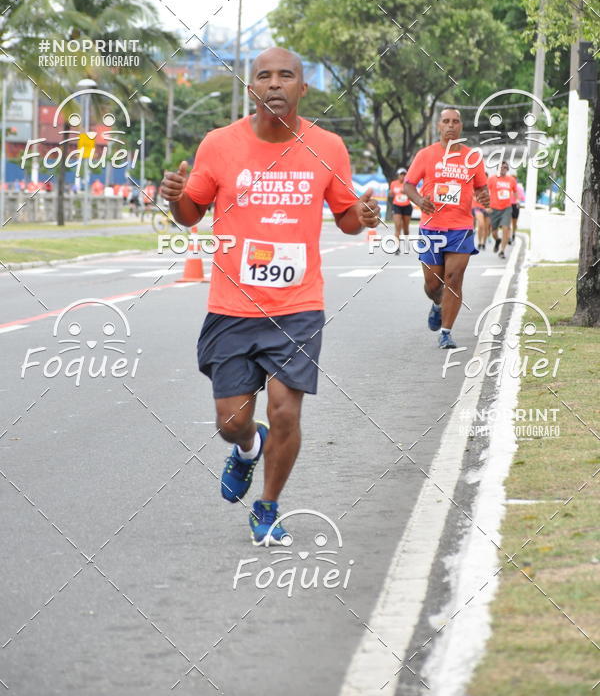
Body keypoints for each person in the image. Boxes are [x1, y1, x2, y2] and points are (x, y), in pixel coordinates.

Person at [159, 47, 380, 546]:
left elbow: (345, 216)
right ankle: (246, 448)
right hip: (232, 306)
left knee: (286, 410)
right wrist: (176, 197)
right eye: (264, 76)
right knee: (232, 421)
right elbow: (191, 214)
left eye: (286, 76)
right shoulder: (218, 145)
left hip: (298, 306)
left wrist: (362, 217)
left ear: (304, 88)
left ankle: (267, 506)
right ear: (251, 88)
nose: (275, 83)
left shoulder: (328, 146)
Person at [403, 108, 489, 349]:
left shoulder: (473, 158)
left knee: (453, 279)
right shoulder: (426, 155)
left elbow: (482, 187)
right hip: (431, 228)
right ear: (439, 126)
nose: (451, 125)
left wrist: (485, 197)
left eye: (455, 122)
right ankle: (437, 304)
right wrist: (419, 200)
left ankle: (446, 331)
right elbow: (408, 185)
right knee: (433, 284)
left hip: (460, 228)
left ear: (461, 126)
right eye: (446, 121)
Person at [488, 161, 517, 259]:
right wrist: (486, 205)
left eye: (505, 167)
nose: (503, 169)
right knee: (494, 232)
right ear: (498, 168)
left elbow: (515, 191)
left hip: (506, 208)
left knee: (506, 228)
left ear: (507, 169)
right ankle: (497, 240)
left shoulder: (511, 180)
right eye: (501, 167)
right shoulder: (492, 179)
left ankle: (502, 251)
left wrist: (516, 201)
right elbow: (486, 191)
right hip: (494, 208)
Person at [389, 168, 412, 250]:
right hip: (397, 206)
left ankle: (406, 243)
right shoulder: (393, 183)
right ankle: (397, 247)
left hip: (407, 206)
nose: (402, 176)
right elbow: (391, 193)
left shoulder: (408, 184)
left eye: (404, 175)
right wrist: (391, 193)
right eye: (401, 175)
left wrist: (406, 192)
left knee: (406, 229)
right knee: (398, 226)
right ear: (398, 176)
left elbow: (413, 194)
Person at [511, 179, 525, 244]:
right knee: (508, 221)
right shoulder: (509, 188)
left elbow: (523, 198)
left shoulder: (519, 189)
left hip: (516, 206)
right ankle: (509, 236)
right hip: (509, 205)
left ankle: (513, 233)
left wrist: (518, 198)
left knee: (514, 222)